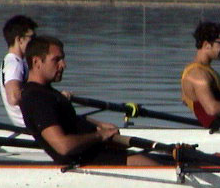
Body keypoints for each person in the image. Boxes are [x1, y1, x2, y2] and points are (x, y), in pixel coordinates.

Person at [20, 35, 158, 166]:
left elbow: (68, 119)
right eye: (56, 60)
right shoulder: (36, 98)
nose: (63, 65)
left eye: (63, 59)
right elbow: (63, 146)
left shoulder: (47, 92)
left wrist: (99, 125)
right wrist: (100, 135)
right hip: (83, 161)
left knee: (164, 159)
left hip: (96, 152)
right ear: (36, 61)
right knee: (150, 163)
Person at [0, 15, 37, 127]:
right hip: (30, 127)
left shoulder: (17, 62)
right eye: (32, 38)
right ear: (19, 40)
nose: (36, 42)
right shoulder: (14, 64)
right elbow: (14, 97)